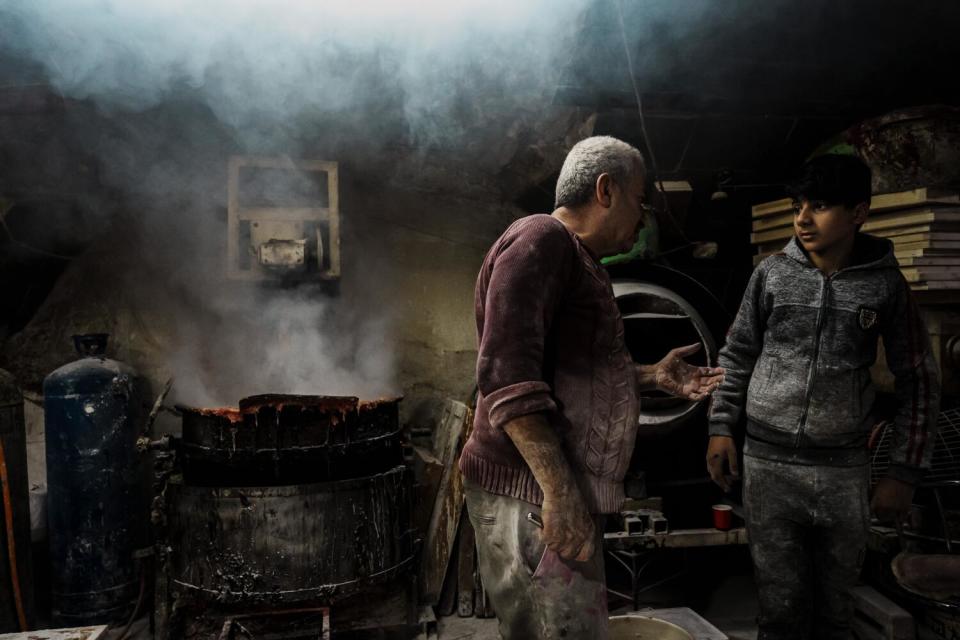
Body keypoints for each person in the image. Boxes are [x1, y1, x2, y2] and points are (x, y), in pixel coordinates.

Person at [458, 135, 725, 639]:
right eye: (640, 200)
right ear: (606, 189)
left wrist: (649, 375)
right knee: (557, 630)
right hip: (533, 493)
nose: (644, 217)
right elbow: (507, 379)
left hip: (548, 491)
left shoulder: (577, 259)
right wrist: (560, 494)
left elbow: (566, 372)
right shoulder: (541, 239)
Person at [706, 154, 941, 640]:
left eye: (820, 206)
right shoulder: (771, 275)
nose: (801, 218)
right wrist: (720, 427)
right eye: (797, 205)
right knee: (780, 610)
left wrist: (903, 472)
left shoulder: (885, 285)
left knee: (836, 613)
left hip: (842, 471)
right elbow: (736, 354)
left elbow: (919, 379)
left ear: (859, 213)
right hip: (768, 466)